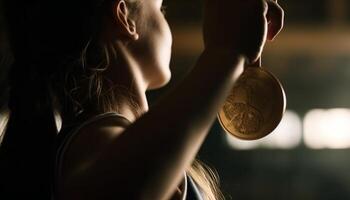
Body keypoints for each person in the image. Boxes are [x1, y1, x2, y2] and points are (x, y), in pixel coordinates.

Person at [0, 0, 284, 199]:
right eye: (160, 8)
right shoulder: (93, 140)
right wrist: (225, 54)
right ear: (124, 15)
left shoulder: (96, 139)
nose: (165, 17)